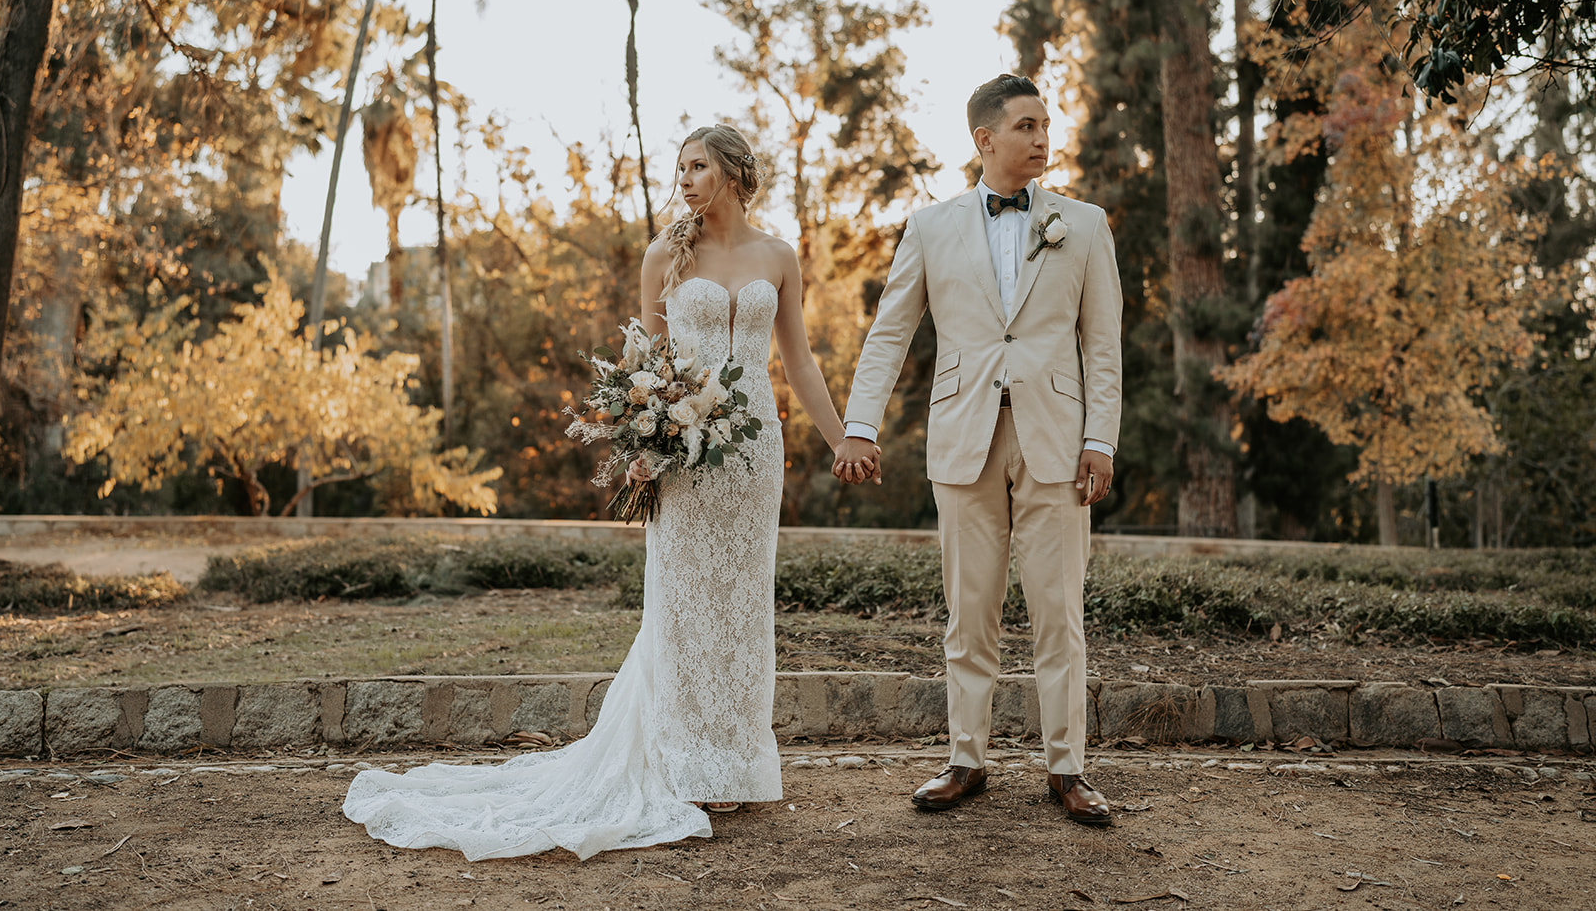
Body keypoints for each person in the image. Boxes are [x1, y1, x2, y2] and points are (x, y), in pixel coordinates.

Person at [342, 123, 864, 860]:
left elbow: (800, 363)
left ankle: (737, 761)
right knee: (681, 604)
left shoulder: (778, 256)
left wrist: (841, 437)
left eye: (699, 166)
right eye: (679, 167)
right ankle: (683, 762)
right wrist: (643, 442)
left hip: (752, 458)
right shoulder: (664, 255)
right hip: (683, 456)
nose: (684, 179)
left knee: (742, 605)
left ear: (737, 173)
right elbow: (646, 366)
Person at [834, 74, 1123, 824]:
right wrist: (859, 425)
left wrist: (1100, 440)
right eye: (1026, 125)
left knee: (1059, 612)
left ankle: (1068, 770)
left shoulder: (1084, 225)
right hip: (963, 435)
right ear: (984, 138)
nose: (1042, 137)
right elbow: (890, 331)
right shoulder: (931, 227)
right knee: (969, 611)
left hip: (1057, 444)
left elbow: (1104, 345)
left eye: (1047, 124)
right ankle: (967, 759)